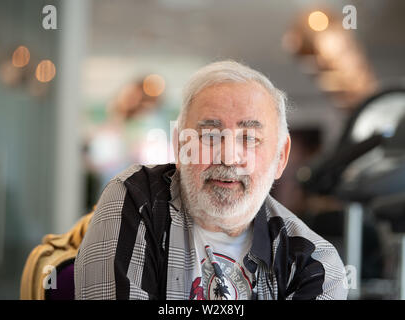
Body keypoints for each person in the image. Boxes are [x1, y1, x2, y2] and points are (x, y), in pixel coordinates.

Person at [74, 60, 348, 300]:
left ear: (280, 157)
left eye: (249, 138)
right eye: (209, 135)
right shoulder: (135, 200)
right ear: (180, 147)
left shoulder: (312, 263)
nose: (228, 157)